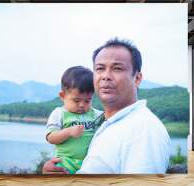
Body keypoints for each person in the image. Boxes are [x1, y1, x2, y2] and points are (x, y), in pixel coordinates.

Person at [43, 38, 170, 174]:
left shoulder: (144, 129)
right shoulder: (105, 122)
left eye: (117, 68)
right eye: (100, 69)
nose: (106, 76)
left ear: (137, 79)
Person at [45, 66, 103, 174]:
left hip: (89, 163)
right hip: (65, 163)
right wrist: (68, 132)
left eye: (87, 101)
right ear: (62, 96)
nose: (82, 105)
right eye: (76, 100)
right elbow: (50, 138)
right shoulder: (59, 113)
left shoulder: (96, 114)